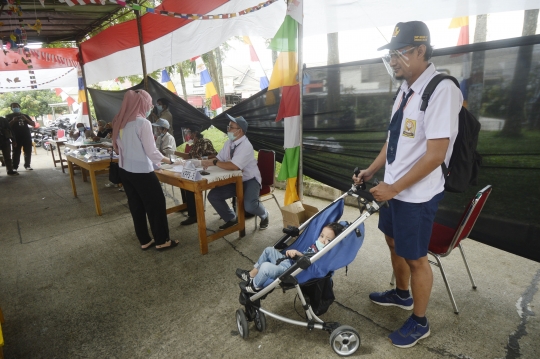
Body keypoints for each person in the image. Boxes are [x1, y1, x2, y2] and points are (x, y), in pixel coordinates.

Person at [352, 21, 461, 348]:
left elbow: (435, 154)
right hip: (395, 189)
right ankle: (401, 295)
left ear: (420, 50)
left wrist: (395, 188)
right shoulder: (405, 89)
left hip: (416, 195)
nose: (394, 60)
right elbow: (394, 139)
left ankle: (419, 321)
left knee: (416, 258)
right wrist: (373, 171)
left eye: (399, 53)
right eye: (391, 54)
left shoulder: (442, 90)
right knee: (392, 241)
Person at [112, 89, 178, 251]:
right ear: (142, 104)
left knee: (136, 206)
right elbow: (151, 151)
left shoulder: (120, 121)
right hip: (141, 172)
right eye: (148, 104)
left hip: (125, 170)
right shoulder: (143, 123)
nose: (150, 108)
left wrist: (154, 165)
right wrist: (169, 161)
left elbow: (124, 149)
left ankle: (145, 240)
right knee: (156, 205)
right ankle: (162, 240)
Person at [201, 114, 269, 230]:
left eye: (231, 127)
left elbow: (234, 166)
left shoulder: (246, 146)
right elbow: (219, 159)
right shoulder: (229, 143)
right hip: (234, 179)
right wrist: (204, 162)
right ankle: (231, 218)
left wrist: (214, 163)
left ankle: (264, 214)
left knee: (249, 206)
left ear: (239, 131)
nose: (228, 130)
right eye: (228, 126)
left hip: (249, 180)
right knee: (214, 196)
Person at [236, 222, 344, 294]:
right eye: (321, 236)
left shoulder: (324, 254)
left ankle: (255, 287)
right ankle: (251, 275)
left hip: (290, 271)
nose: (322, 240)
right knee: (269, 250)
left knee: (265, 267)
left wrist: (298, 254)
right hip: (288, 261)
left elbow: (311, 262)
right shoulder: (317, 245)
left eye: (328, 240)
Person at [179, 126, 217, 226]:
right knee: (183, 180)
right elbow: (189, 156)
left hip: (205, 168)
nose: (188, 135)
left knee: (189, 183)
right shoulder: (194, 144)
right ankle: (190, 209)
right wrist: (173, 153)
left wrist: (202, 159)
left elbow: (214, 155)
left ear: (195, 133)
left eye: (189, 132)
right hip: (195, 168)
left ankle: (193, 215)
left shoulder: (205, 141)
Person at [6, 102, 35, 171]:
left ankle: (27, 165)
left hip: (26, 136)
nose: (15, 108)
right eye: (14, 107)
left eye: (17, 106)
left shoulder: (24, 115)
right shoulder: (9, 116)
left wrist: (26, 119)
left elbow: (33, 124)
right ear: (11, 109)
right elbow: (7, 127)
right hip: (15, 137)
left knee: (28, 151)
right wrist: (13, 121)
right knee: (16, 152)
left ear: (19, 107)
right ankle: (15, 167)